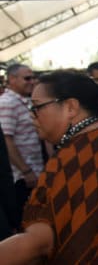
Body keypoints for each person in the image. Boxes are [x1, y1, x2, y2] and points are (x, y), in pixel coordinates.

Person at [0, 70, 98, 263]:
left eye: (37, 107)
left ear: (70, 107)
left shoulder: (78, 155)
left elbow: (39, 242)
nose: (32, 115)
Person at [0, 64, 43, 222]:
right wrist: (25, 171)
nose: (32, 82)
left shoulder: (24, 101)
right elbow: (6, 140)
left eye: (33, 78)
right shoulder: (7, 103)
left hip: (34, 172)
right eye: (27, 78)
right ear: (12, 79)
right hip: (21, 178)